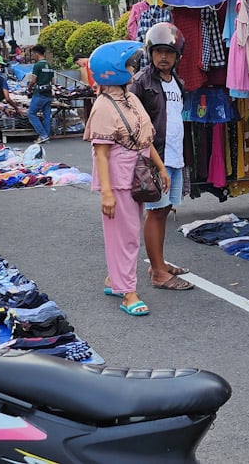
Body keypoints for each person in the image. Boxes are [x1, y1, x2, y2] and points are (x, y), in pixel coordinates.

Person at [84, 40, 170, 316]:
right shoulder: (103, 105)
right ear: (113, 69)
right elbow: (101, 152)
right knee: (126, 237)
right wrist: (106, 193)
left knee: (125, 234)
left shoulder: (130, 97)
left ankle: (115, 279)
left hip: (138, 174)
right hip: (119, 179)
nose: (133, 68)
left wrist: (161, 167)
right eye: (128, 64)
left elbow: (145, 139)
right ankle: (128, 293)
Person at [130, 22, 192, 291]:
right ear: (151, 53)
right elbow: (135, 124)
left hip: (175, 155)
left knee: (165, 210)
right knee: (155, 212)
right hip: (156, 157)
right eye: (159, 52)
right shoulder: (141, 82)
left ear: (177, 54)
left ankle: (159, 262)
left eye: (169, 52)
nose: (163, 57)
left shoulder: (178, 82)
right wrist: (151, 158)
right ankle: (157, 272)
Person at [25, 45, 55, 143]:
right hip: (48, 94)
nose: (32, 56)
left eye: (33, 54)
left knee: (31, 113)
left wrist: (29, 89)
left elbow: (33, 80)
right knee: (47, 115)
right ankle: (46, 137)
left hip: (39, 94)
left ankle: (43, 135)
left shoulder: (37, 65)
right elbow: (53, 81)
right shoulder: (50, 66)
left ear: (37, 54)